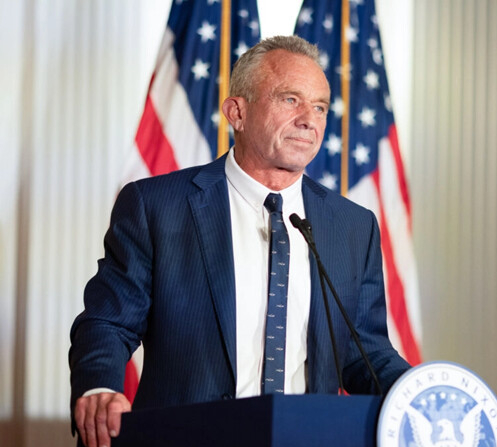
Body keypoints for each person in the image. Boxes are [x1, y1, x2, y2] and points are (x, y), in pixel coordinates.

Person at [69, 35, 411, 447]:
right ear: (237, 112)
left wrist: (423, 396)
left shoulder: (353, 226)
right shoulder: (157, 206)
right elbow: (109, 322)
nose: (310, 119)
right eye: (290, 100)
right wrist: (98, 389)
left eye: (320, 106)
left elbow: (364, 353)